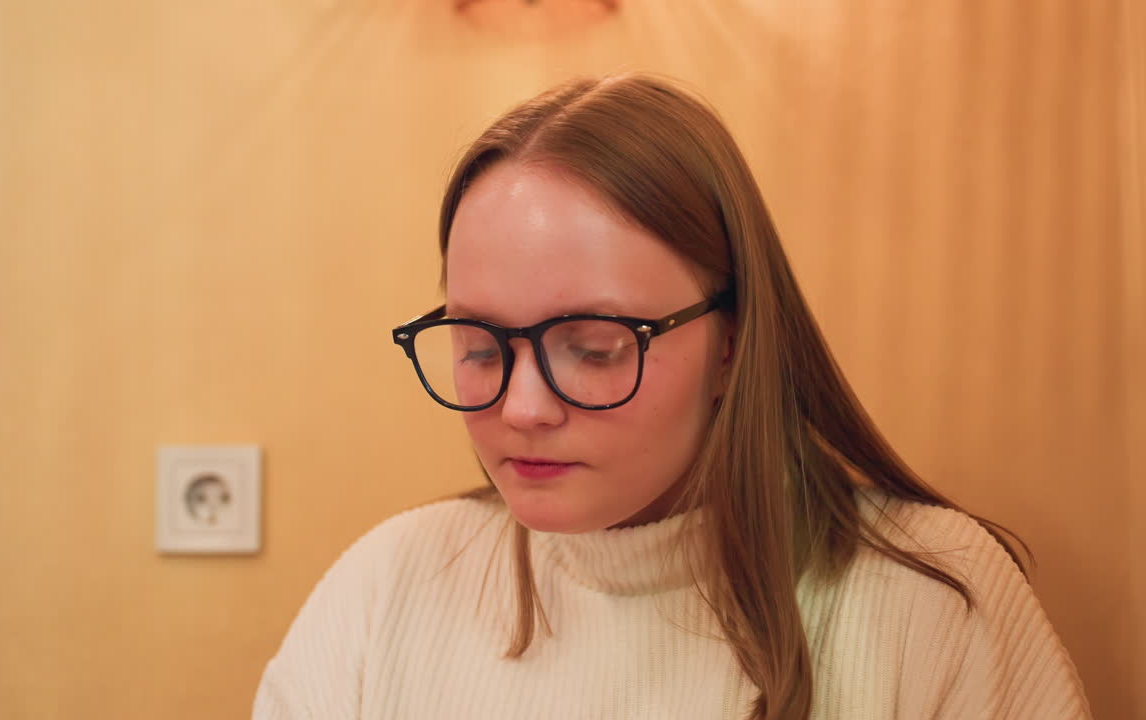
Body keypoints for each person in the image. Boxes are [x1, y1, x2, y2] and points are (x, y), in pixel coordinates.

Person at [253, 73, 1091, 719]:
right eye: (479, 346)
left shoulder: (932, 598)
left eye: (593, 348)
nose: (523, 409)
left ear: (732, 343)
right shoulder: (387, 588)